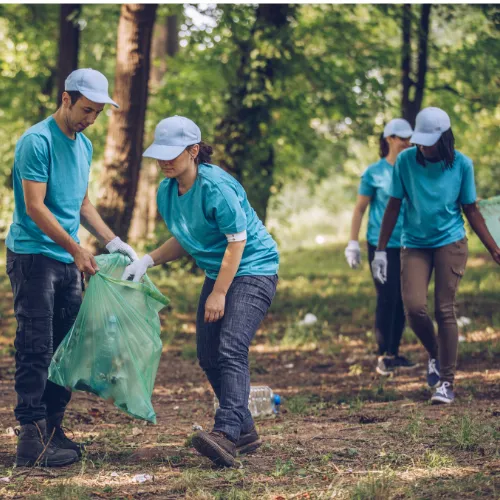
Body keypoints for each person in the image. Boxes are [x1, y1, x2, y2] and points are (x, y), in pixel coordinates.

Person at [122, 116, 279, 467]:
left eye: (172, 153)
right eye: (159, 153)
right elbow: (185, 238)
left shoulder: (216, 187)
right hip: (220, 270)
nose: (164, 160)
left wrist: (219, 293)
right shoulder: (167, 190)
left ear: (193, 151)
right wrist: (147, 260)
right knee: (208, 354)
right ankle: (246, 430)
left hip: (254, 267)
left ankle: (225, 434)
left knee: (232, 347)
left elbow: (237, 243)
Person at [6, 68, 138, 467]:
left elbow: (80, 205)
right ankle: (30, 438)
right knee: (36, 346)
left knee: (67, 349)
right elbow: (35, 206)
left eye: (97, 112)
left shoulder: (83, 146)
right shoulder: (37, 141)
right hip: (34, 256)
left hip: (67, 257)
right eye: (86, 109)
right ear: (66, 99)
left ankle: (52, 428)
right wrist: (77, 249)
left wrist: (114, 241)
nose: (90, 119)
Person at [372, 107, 500, 404]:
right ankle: (436, 353)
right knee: (414, 308)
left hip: (450, 242)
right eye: (421, 140)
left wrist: (493, 248)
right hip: (415, 242)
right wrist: (380, 250)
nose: (423, 146)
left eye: (430, 141)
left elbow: (471, 209)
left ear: (444, 139)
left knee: (445, 310)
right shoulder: (405, 161)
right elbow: (393, 205)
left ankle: (446, 381)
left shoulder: (462, 165)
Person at [345, 119, 415, 376]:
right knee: (388, 297)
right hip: (381, 245)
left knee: (406, 299)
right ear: (389, 139)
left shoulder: (412, 168)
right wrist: (353, 243)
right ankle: (383, 354)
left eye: (410, 137)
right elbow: (360, 209)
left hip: (409, 242)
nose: (408, 142)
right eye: (402, 137)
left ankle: (394, 352)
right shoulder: (373, 173)